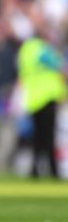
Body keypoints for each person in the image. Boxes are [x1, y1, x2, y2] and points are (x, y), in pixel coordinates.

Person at [17, 34, 67, 178]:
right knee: (49, 136)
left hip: (33, 99)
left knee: (38, 137)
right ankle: (53, 170)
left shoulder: (25, 51)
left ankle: (35, 170)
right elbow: (55, 64)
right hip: (48, 97)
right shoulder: (41, 49)